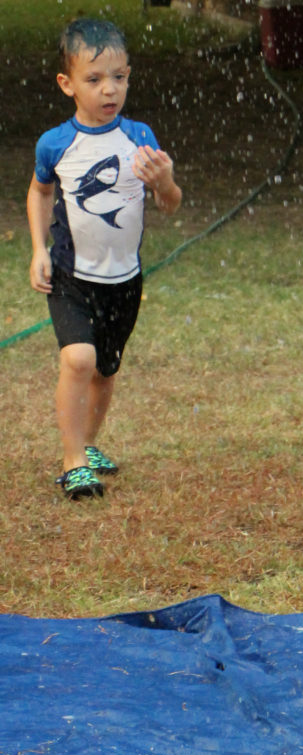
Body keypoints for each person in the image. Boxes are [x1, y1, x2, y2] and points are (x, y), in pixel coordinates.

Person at [27, 17, 182, 500]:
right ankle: (73, 461)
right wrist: (37, 249)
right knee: (78, 358)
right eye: (94, 80)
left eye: (118, 77)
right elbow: (39, 193)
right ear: (67, 84)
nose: (108, 89)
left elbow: (170, 203)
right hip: (71, 276)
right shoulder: (55, 144)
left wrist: (164, 182)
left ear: (129, 76)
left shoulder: (140, 138)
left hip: (124, 279)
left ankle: (88, 446)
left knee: (104, 369)